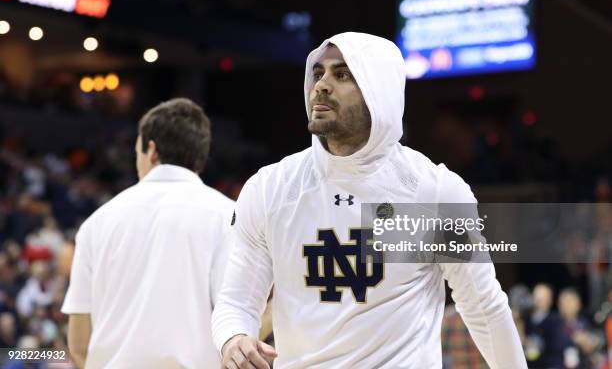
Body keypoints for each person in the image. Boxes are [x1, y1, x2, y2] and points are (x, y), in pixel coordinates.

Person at [211, 33, 527, 368]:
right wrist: (234, 338)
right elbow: (236, 302)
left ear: (380, 91)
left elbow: (483, 308)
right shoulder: (269, 187)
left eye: (342, 74)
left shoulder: (435, 192)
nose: (321, 85)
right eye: (318, 73)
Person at [62, 98, 235, 368]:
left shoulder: (97, 222)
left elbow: (79, 344)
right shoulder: (228, 217)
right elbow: (237, 329)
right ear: (199, 156)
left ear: (151, 150)